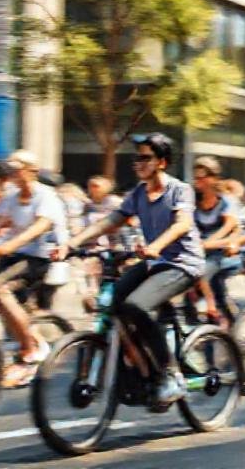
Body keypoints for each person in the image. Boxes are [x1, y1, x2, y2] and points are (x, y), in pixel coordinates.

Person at [51, 133, 202, 406]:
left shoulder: (180, 190)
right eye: (137, 158)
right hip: (153, 262)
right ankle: (139, 371)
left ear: (162, 162)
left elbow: (182, 224)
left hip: (182, 263)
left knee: (136, 306)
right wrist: (70, 244)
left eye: (146, 157)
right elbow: (111, 220)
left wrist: (156, 245)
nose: (138, 163)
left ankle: (170, 374)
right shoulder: (137, 194)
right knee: (113, 304)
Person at [0, 150, 68, 387]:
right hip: (14, 257)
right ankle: (34, 343)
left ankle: (30, 348)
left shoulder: (46, 197)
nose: (13, 174)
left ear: (31, 171)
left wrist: (8, 245)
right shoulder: (13, 196)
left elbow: (39, 226)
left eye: (17, 169)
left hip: (36, 260)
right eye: (11, 170)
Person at [190, 156, 242, 323]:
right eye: (195, 176)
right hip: (198, 251)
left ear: (213, 178)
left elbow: (229, 228)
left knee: (201, 273)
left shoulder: (226, 202)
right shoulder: (193, 202)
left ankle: (212, 308)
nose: (197, 180)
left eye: (202, 177)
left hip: (220, 252)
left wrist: (206, 244)